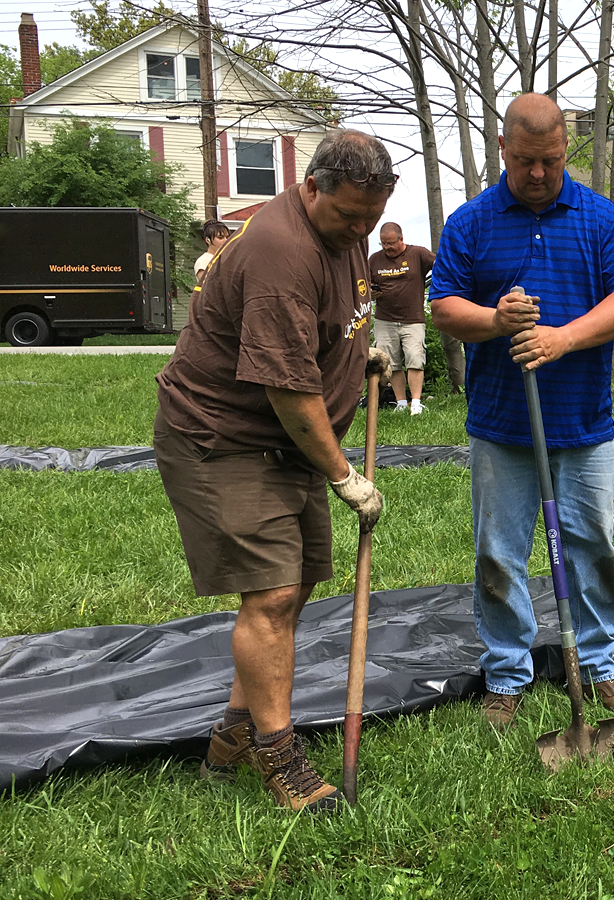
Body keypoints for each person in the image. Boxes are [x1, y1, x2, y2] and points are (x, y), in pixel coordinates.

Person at [154, 129, 394, 813]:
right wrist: (346, 477)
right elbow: (288, 392)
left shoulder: (343, 233)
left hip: (285, 446)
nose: (359, 230)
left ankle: (232, 732)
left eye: (370, 218)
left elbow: (338, 318)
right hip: (224, 439)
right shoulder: (279, 251)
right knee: (271, 596)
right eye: (349, 215)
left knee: (292, 590)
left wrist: (360, 355)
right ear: (310, 187)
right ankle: (280, 757)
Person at [429, 93, 614, 730]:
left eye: (550, 161)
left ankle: (597, 664)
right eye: (526, 161)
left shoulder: (602, 220)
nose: (537, 174)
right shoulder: (471, 222)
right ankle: (506, 671)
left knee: (594, 546)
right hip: (504, 427)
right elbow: (443, 307)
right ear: (504, 150)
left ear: (565, 151)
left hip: (583, 424)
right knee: (499, 553)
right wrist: (496, 320)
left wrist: (563, 338)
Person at [368, 222, 436, 414]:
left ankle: (415, 403)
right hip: (385, 319)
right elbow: (363, 284)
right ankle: (399, 402)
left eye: (390, 243)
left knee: (415, 358)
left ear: (401, 239)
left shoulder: (418, 254)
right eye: (383, 244)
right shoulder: (374, 260)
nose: (387, 248)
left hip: (413, 319)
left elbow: (442, 265)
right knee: (392, 362)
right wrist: (371, 293)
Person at [194, 220, 231, 285]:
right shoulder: (203, 261)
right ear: (208, 240)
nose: (225, 240)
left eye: (227, 237)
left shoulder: (227, 258)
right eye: (220, 237)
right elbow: (207, 286)